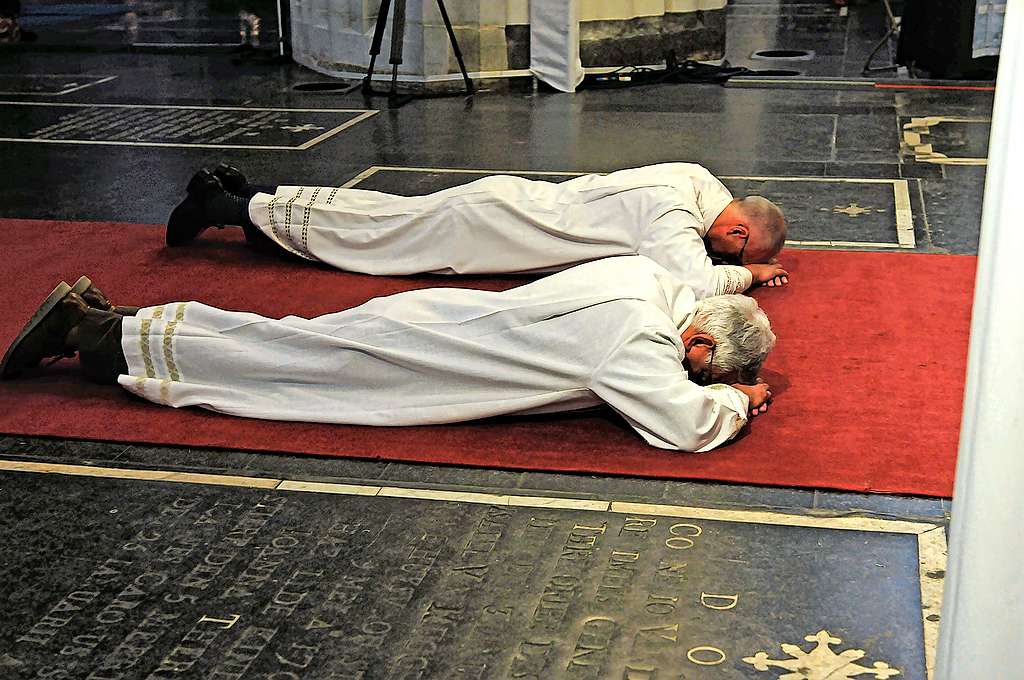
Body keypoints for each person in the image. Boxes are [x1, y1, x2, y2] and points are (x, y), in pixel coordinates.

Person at [2, 256, 776, 452]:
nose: (693, 374)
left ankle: (110, 320)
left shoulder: (649, 281)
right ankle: (86, 330)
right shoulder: (640, 340)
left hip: (440, 323)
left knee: (279, 341)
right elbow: (683, 426)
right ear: (699, 339)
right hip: (428, 357)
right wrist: (739, 400)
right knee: (277, 364)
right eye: (703, 367)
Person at [167, 162, 790, 300]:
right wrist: (748, 274)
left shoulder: (696, 180)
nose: (725, 254)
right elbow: (691, 277)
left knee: (376, 221)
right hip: (489, 228)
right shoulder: (673, 217)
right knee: (368, 240)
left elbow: (707, 238)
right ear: (734, 232)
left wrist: (742, 258)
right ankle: (223, 206)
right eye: (736, 248)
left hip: (501, 210)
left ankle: (248, 200)